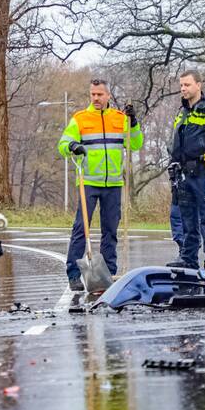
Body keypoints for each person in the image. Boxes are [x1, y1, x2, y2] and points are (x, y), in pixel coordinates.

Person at [58, 79, 143, 291]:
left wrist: (133, 122)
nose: (96, 98)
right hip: (88, 181)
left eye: (100, 94)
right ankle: (74, 274)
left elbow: (135, 143)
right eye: (93, 94)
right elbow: (62, 145)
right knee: (81, 229)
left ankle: (110, 272)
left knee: (110, 230)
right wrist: (73, 146)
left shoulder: (120, 118)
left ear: (108, 96)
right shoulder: (80, 119)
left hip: (114, 183)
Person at [167, 70, 205, 271]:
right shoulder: (181, 112)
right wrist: (173, 166)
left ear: (199, 85)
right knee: (187, 221)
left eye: (187, 85)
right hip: (184, 174)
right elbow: (176, 143)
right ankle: (188, 259)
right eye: (181, 85)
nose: (183, 88)